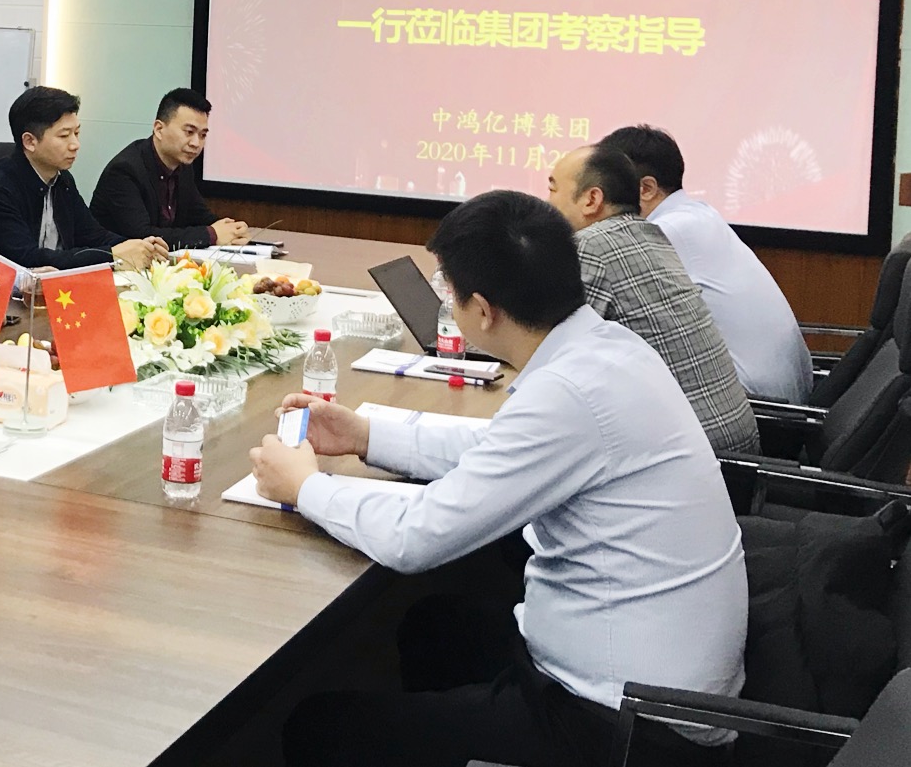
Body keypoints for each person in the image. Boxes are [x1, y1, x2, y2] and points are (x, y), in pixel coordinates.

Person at [250, 190, 747, 767]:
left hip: (626, 727)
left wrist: (305, 487)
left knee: (321, 729)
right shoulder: (606, 348)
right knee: (433, 627)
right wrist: (365, 435)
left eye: (449, 291)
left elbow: (416, 537)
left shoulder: (569, 392)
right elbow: (498, 451)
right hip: (649, 677)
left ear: (482, 311)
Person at [546, 145, 761, 454]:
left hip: (696, 453)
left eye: (553, 189)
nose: (546, 203)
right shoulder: (649, 235)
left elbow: (552, 351)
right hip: (731, 440)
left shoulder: (591, 247)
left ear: (592, 199)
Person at [598, 124, 811, 403]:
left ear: (646, 189)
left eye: (602, 189)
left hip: (757, 407)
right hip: (783, 397)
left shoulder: (666, 231)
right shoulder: (697, 215)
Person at [0, 87, 166, 271]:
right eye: (64, 136)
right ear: (30, 141)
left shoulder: (63, 180)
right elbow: (27, 259)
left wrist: (140, 247)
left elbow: (93, 235)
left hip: (60, 287)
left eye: (76, 133)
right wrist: (113, 256)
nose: (75, 144)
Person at [89, 87, 250, 250]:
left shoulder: (183, 167)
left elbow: (200, 216)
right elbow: (143, 236)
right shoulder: (124, 171)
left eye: (203, 135)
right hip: (114, 262)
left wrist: (231, 230)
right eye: (189, 132)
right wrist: (212, 234)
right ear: (159, 129)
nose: (196, 143)